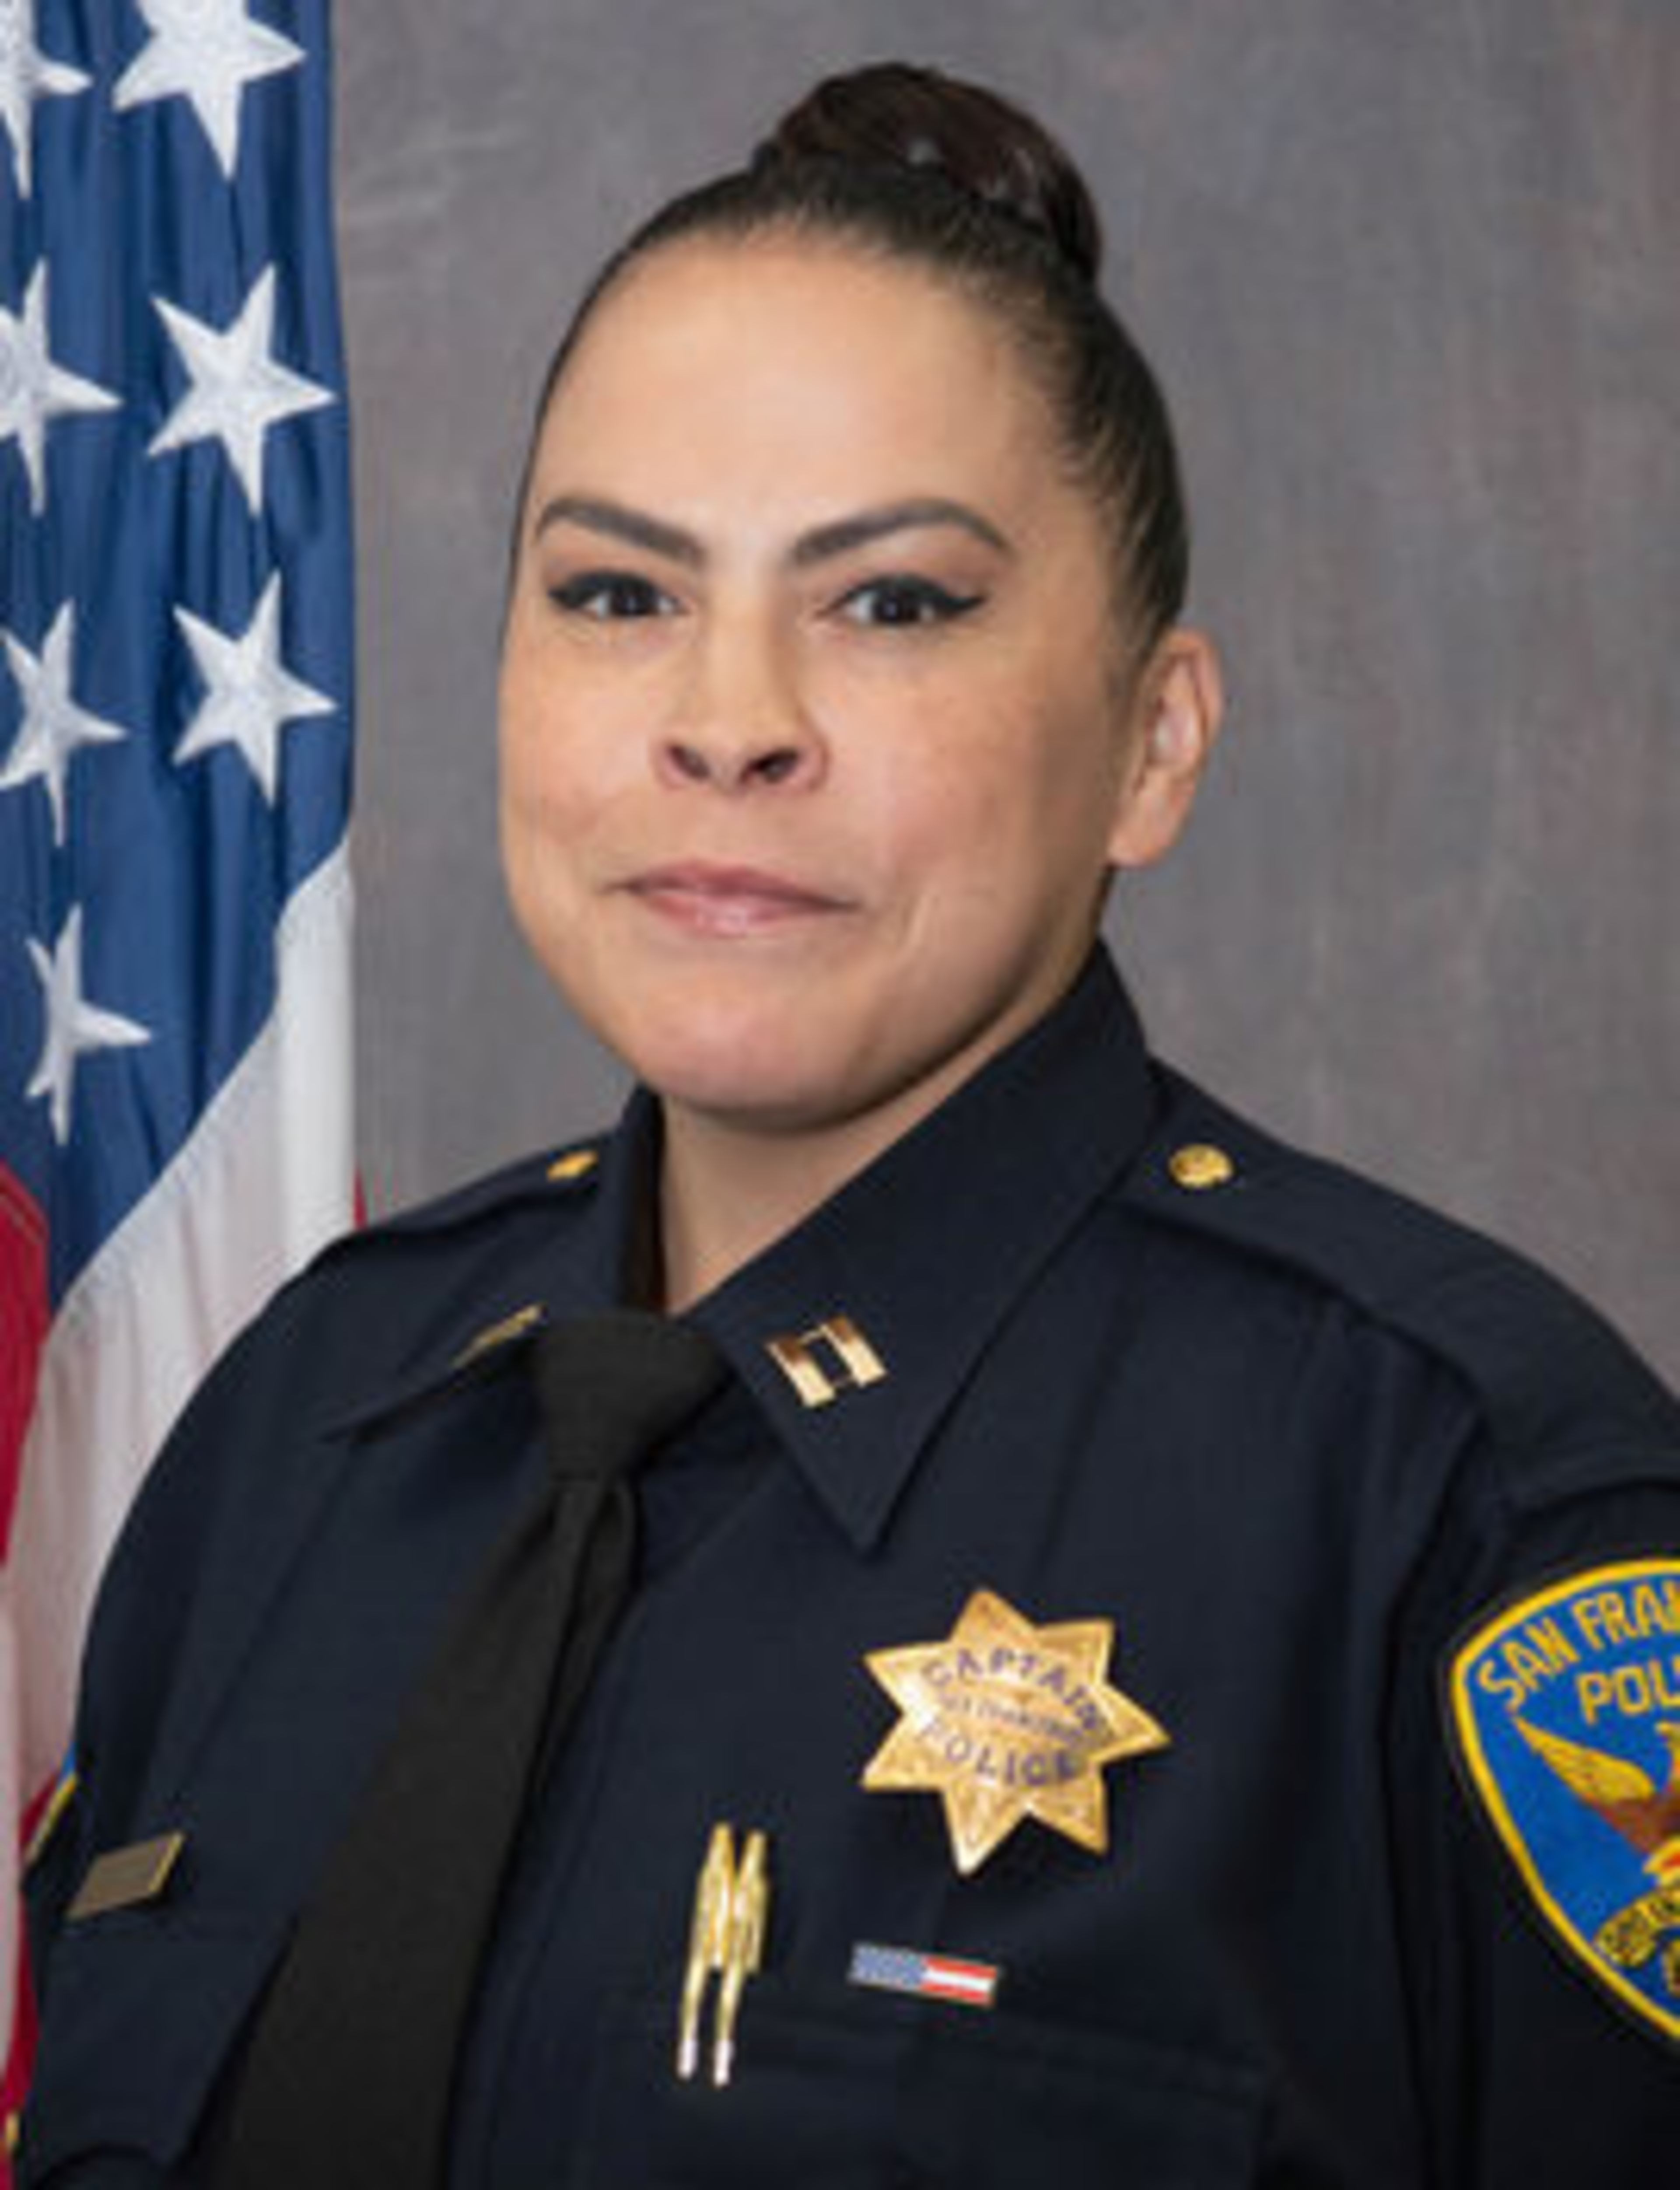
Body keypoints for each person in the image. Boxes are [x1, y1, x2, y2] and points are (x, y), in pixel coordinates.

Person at [18, 59, 1680, 2190]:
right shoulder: (303, 1422)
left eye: (892, 604)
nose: (730, 723)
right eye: (619, 593)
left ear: (1154, 745)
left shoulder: (1460, 1509)